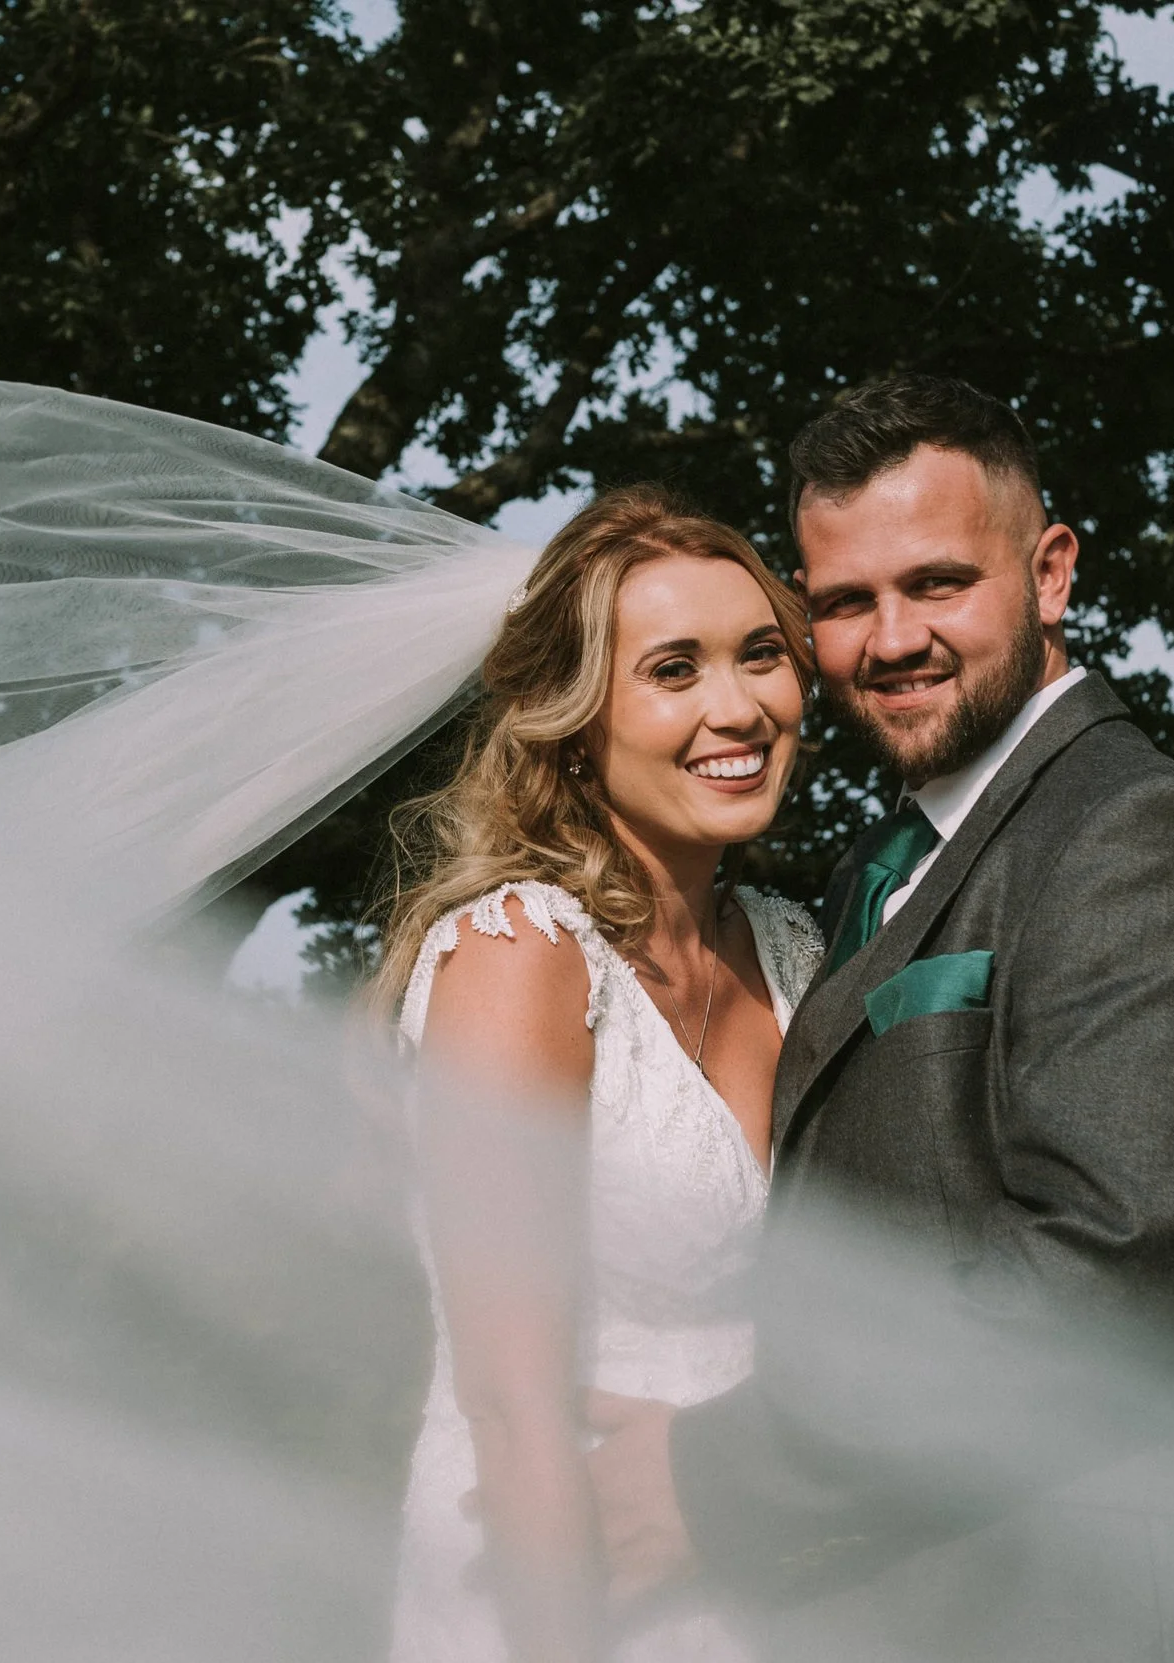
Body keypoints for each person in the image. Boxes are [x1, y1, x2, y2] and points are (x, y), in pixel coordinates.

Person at [581, 374, 1174, 1663]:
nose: (891, 637)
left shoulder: (1136, 836)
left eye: (937, 584)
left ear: (1050, 572)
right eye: (843, 602)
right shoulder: (865, 873)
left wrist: (713, 1475)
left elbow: (1102, 1274)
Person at [381, 487, 825, 1663]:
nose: (736, 708)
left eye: (761, 656)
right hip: (548, 1567)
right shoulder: (518, 957)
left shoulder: (793, 953)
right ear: (578, 718)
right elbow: (510, 1407)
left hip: (748, 1561)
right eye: (672, 669)